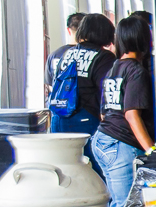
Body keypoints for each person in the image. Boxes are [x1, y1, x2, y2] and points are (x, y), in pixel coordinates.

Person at [93, 16, 156, 207]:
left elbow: (104, 112)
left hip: (103, 140)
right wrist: (151, 150)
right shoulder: (136, 71)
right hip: (120, 144)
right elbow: (132, 115)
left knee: (117, 206)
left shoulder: (114, 68)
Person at [46, 14, 117, 173]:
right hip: (86, 120)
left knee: (68, 169)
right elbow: (107, 92)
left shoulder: (67, 53)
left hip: (59, 117)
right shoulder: (104, 57)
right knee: (96, 170)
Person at [45, 12, 86, 96]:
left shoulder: (54, 55)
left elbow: (50, 86)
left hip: (59, 102)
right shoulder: (90, 55)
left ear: (68, 30)